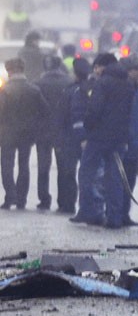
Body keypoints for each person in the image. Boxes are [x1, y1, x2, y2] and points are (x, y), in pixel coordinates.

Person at [71, 54, 134, 228]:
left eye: (97, 67)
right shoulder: (128, 84)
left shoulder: (103, 83)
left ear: (103, 66)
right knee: (114, 178)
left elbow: (94, 109)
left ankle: (88, 212)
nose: (95, 70)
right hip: (119, 138)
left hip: (98, 137)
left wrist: (88, 127)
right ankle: (114, 217)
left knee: (86, 173)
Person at [0, 58, 49, 209]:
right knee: (24, 164)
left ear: (9, 71)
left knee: (7, 165)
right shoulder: (33, 89)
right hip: (27, 133)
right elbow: (45, 110)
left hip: (7, 132)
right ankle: (21, 199)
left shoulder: (5, 90)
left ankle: (10, 196)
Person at [34, 54, 73, 211]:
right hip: (62, 130)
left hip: (42, 131)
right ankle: (63, 200)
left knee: (43, 166)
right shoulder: (68, 82)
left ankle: (44, 199)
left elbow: (34, 109)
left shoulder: (37, 83)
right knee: (63, 167)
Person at [57, 56, 91, 215]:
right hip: (88, 137)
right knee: (86, 173)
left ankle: (68, 204)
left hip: (70, 138)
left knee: (68, 172)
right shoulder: (93, 89)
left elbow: (63, 115)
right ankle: (86, 205)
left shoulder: (71, 90)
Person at [116, 55, 138, 226]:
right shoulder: (124, 89)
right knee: (119, 181)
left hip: (135, 144)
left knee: (130, 181)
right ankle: (116, 214)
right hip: (124, 143)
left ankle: (124, 214)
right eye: (136, 69)